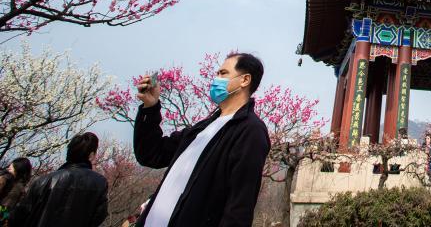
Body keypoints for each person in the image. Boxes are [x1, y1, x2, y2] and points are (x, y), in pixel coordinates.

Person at [133, 52, 271, 227]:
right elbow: (151, 154)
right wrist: (150, 107)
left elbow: (239, 206)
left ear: (245, 80)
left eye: (223, 73)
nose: (216, 79)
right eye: (217, 73)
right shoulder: (202, 128)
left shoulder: (250, 131)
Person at [9, 133, 107, 227]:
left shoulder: (43, 181)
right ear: (91, 155)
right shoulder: (100, 183)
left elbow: (19, 216)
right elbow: (98, 217)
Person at [0, 158, 32, 224]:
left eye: (11, 167)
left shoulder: (5, 178)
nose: (8, 168)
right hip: (5, 214)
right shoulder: (22, 187)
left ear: (18, 169)